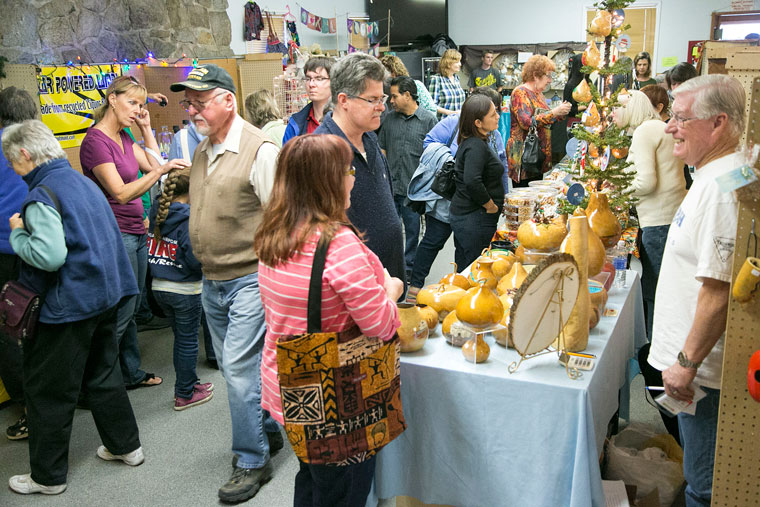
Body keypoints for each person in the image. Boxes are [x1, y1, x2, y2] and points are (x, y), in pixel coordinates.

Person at [255, 134, 403, 507]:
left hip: (288, 386)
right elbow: (381, 325)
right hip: (337, 397)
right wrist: (392, 290)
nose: (353, 178)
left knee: (312, 477)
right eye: (348, 170)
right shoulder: (337, 244)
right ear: (328, 182)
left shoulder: (274, 235)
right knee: (345, 489)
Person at [4, 120, 143, 495]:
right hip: (105, 296)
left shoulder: (41, 196)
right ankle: (126, 447)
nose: (11, 168)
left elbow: (49, 257)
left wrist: (18, 231)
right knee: (103, 376)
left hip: (68, 307)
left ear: (24, 155)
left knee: (48, 391)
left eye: (10, 160)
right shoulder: (82, 182)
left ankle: (47, 478)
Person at [169, 63, 282, 503]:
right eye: (188, 102)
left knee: (236, 371)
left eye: (200, 101)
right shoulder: (202, 149)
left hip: (250, 278)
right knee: (243, 371)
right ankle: (267, 429)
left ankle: (252, 460)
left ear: (228, 101)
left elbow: (280, 220)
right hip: (211, 281)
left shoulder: (260, 150)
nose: (192, 109)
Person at [647, 74, 746, 506]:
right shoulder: (710, 175)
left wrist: (686, 364)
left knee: (704, 487)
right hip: (695, 371)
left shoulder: (725, 190)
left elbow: (719, 291)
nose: (670, 126)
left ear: (719, 123)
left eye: (681, 118)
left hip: (701, 377)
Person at [79, 76, 189, 390]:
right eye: (133, 103)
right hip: (116, 234)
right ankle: (96, 381)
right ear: (112, 99)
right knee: (121, 311)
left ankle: (128, 372)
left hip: (135, 230)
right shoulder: (95, 142)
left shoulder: (124, 136)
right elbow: (121, 193)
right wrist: (158, 171)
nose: (137, 109)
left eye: (141, 104)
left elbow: (155, 162)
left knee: (132, 304)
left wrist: (145, 129)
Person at [406, 87, 508, 300]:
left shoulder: (492, 135)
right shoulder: (458, 129)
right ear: (476, 117)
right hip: (453, 202)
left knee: (463, 253)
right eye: (492, 112)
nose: (497, 115)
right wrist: (455, 162)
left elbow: (501, 163)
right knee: (434, 241)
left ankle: (458, 291)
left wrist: (503, 197)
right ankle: (415, 287)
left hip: (468, 207)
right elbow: (430, 144)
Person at [314, 53, 406, 284]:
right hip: (356, 285)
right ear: (344, 100)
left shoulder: (369, 137)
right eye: (372, 100)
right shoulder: (323, 151)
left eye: (382, 98)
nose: (382, 107)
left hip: (389, 276)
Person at [615, 90, 686, 340]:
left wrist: (618, 189)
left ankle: (654, 355)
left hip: (657, 220)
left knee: (656, 292)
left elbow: (646, 182)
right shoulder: (659, 126)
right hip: (671, 215)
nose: (613, 115)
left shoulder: (645, 132)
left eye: (617, 109)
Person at [147, 168, 213, 411]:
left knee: (180, 341)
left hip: (159, 287)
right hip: (185, 290)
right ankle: (184, 393)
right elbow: (195, 261)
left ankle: (190, 383)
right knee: (187, 343)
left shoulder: (157, 211)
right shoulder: (188, 219)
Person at [0, 86, 37, 442]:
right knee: (36, 324)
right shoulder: (41, 144)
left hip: (4, 250)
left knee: (7, 332)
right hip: (37, 247)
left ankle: (28, 409)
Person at [379, 76, 438, 281]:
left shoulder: (429, 120)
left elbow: (434, 156)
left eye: (394, 96)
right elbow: (382, 150)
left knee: (413, 232)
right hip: (390, 188)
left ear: (407, 95)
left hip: (414, 191)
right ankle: (392, 269)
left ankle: (410, 269)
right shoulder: (389, 120)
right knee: (390, 231)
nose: (390, 101)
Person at [448, 94, 503, 268]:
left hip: (468, 216)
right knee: (477, 268)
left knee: (465, 265)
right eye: (493, 115)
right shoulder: (476, 146)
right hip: (474, 217)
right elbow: (472, 181)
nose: (498, 117)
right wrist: (490, 205)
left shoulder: (473, 142)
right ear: (478, 123)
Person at [507, 55, 571, 186]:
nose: (549, 80)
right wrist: (554, 112)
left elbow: (545, 119)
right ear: (535, 75)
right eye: (547, 76)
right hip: (525, 157)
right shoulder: (520, 93)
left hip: (538, 158)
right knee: (524, 199)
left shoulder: (539, 94)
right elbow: (526, 123)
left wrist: (560, 113)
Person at [282, 56, 333, 144]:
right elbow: (286, 156)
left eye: (319, 79)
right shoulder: (295, 123)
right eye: (308, 79)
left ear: (334, 82)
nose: (311, 84)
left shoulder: (346, 120)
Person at [428, 48, 466, 119]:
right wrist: (450, 113)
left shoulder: (457, 79)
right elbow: (431, 106)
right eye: (457, 62)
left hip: (458, 123)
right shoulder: (437, 79)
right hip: (444, 123)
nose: (460, 64)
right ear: (448, 63)